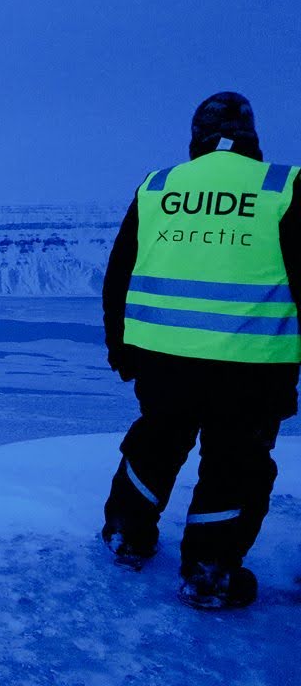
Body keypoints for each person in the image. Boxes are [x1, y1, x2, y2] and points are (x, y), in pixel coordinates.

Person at [100, 91, 301, 609]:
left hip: (163, 359)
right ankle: (209, 570)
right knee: (236, 464)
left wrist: (120, 346)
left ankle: (127, 533)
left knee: (155, 444)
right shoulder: (283, 186)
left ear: (197, 138)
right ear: (252, 137)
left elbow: (119, 273)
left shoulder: (159, 186)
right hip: (252, 367)